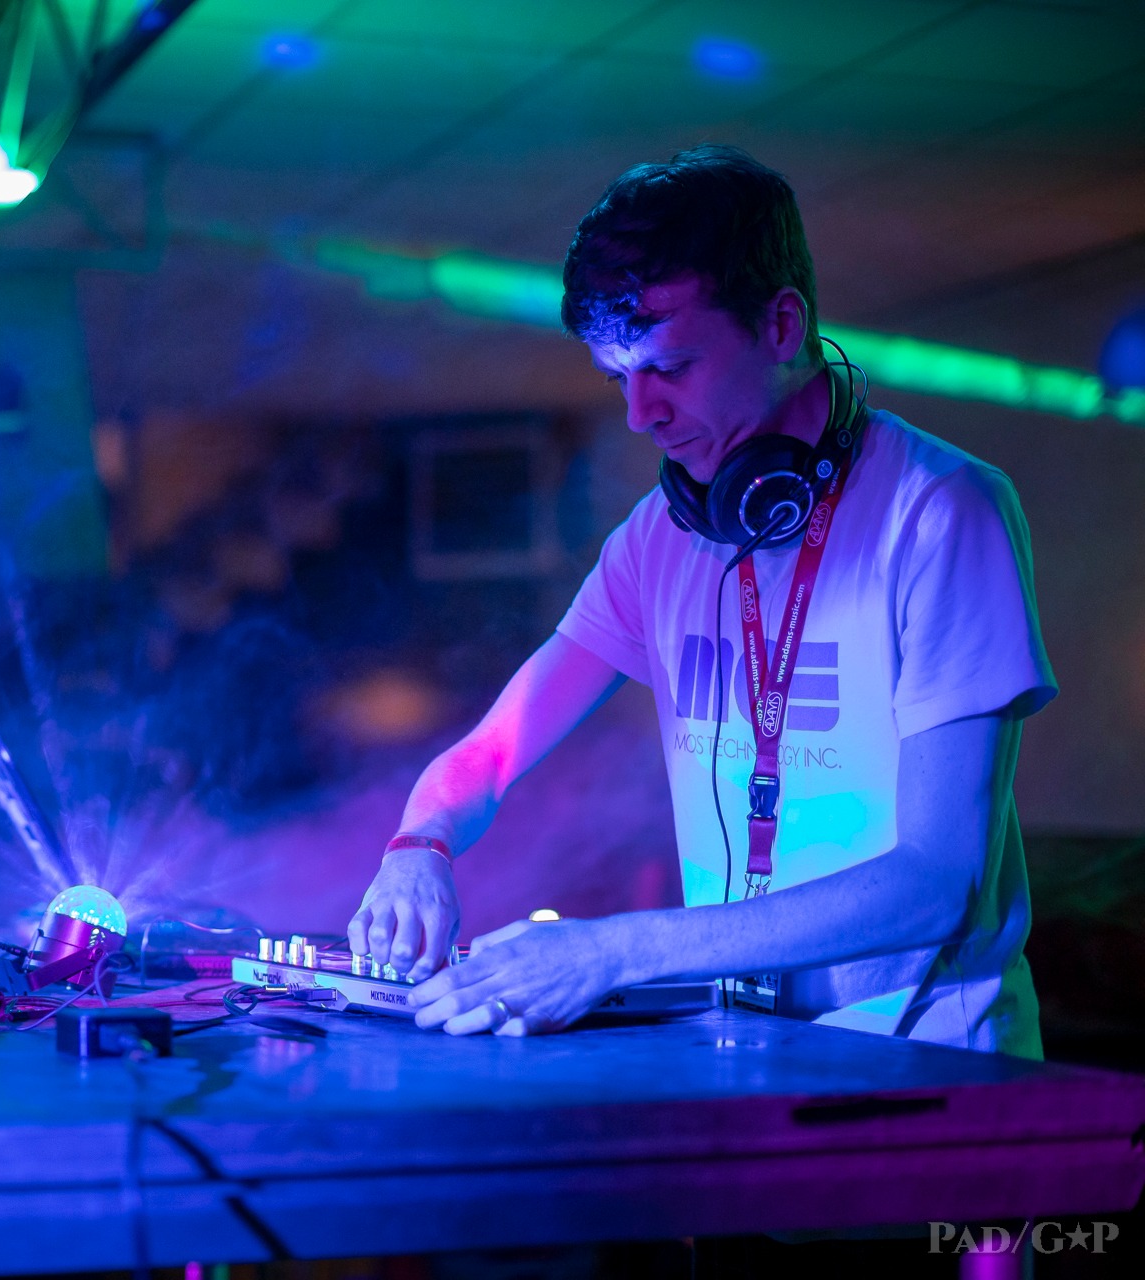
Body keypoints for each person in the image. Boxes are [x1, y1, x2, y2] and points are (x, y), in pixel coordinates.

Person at [348, 146, 1054, 1057]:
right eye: (618, 378)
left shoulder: (942, 512)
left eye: (671, 367)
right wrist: (419, 846)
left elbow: (937, 882)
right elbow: (489, 752)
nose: (639, 414)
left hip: (930, 1059)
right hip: (750, 1049)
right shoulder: (658, 538)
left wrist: (613, 951)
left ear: (783, 325)